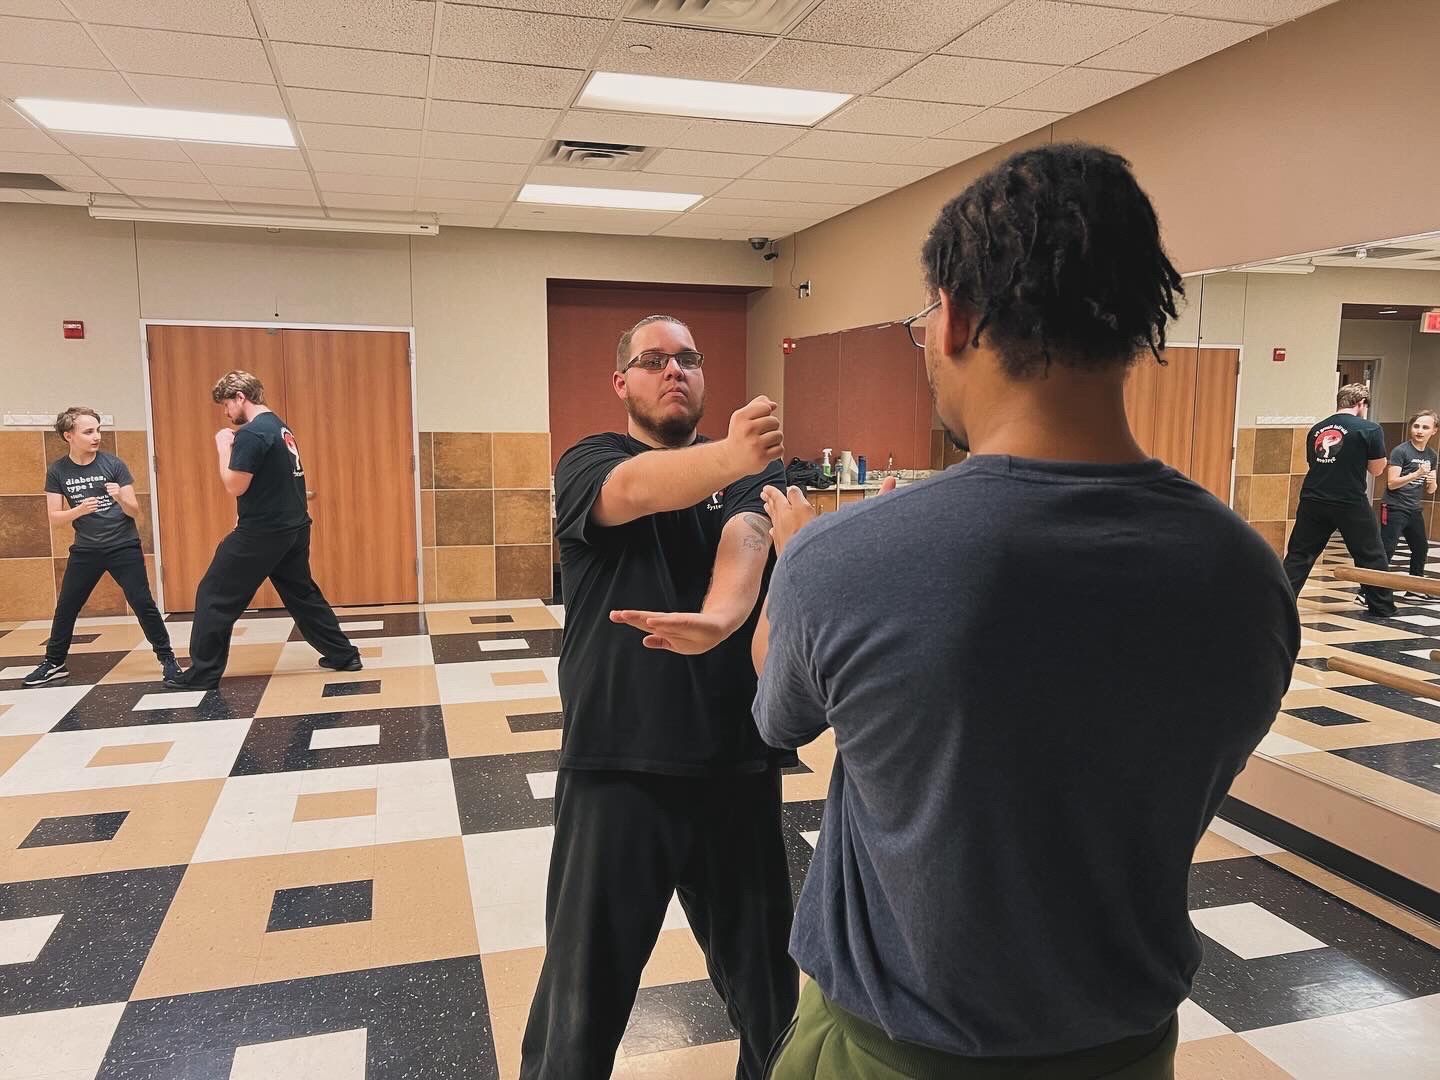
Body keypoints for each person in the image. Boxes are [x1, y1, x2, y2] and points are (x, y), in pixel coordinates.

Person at [751, 144, 1300, 1079]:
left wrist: (794, 563)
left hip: (892, 1055)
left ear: (957, 316)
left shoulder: (846, 561)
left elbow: (781, 715)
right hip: (1123, 1052)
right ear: (1132, 326)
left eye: (923, 317)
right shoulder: (1247, 576)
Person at [519, 315, 797, 1080]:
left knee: (771, 996)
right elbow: (634, 491)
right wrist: (731, 453)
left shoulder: (750, 476)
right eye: (653, 361)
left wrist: (718, 619)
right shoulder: (589, 461)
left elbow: (747, 541)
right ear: (622, 383)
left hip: (734, 763)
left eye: (688, 359)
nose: (674, 370)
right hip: (619, 765)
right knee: (582, 1001)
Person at [164, 371, 360, 691]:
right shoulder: (280, 427)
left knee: (214, 595)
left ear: (241, 397)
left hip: (264, 531)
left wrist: (223, 446)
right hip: (294, 527)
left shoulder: (252, 434)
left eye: (226, 404)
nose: (226, 413)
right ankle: (343, 654)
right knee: (301, 594)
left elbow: (235, 486)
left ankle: (202, 674)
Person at [24, 407, 180, 687]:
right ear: (68, 435)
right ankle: (54, 662)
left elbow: (134, 511)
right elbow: (54, 517)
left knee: (143, 602)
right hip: (86, 550)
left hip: (124, 546)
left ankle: (168, 659)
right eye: (88, 431)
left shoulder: (113, 464)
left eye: (98, 430)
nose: (96, 436)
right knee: (67, 605)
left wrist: (121, 496)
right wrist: (79, 510)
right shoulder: (58, 471)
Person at [1282, 383, 1396, 616]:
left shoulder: (1317, 429)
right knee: (1370, 553)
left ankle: (1280, 603)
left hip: (1313, 497)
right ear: (1362, 404)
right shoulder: (1370, 429)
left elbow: (1314, 463)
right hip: (1349, 500)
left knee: (1299, 555)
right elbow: (1376, 470)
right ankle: (1381, 607)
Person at [1379, 408, 1438, 600]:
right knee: (1387, 549)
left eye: (1425, 427)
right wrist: (1416, 474)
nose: (1420, 431)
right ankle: (1368, 592)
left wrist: (1432, 482)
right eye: (1416, 426)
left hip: (1413, 509)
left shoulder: (1432, 455)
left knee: (1420, 547)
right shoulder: (1401, 451)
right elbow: (1392, 483)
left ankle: (1415, 587)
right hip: (1394, 507)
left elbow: (1430, 490)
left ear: (1434, 431)